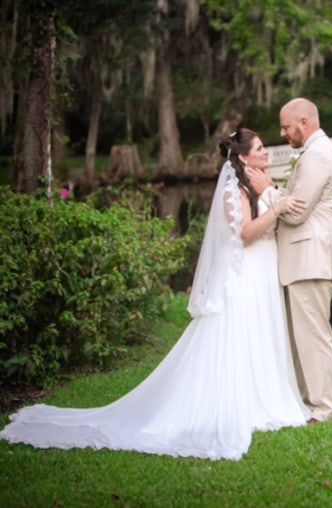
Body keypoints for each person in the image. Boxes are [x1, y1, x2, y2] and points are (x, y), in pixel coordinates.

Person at [0, 129, 310, 460]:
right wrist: (276, 210)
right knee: (243, 332)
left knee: (261, 333)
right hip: (248, 270)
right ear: (244, 157)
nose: (267, 152)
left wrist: (274, 196)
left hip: (264, 268)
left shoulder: (263, 179)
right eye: (261, 148)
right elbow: (247, 234)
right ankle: (240, 401)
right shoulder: (233, 193)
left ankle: (265, 395)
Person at [247, 98, 332, 424]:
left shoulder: (318, 156)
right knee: (305, 336)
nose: (283, 133)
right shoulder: (314, 153)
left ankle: (326, 410)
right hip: (308, 258)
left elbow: (295, 212)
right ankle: (311, 403)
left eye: (286, 126)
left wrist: (266, 190)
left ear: (304, 123)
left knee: (314, 336)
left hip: (312, 257)